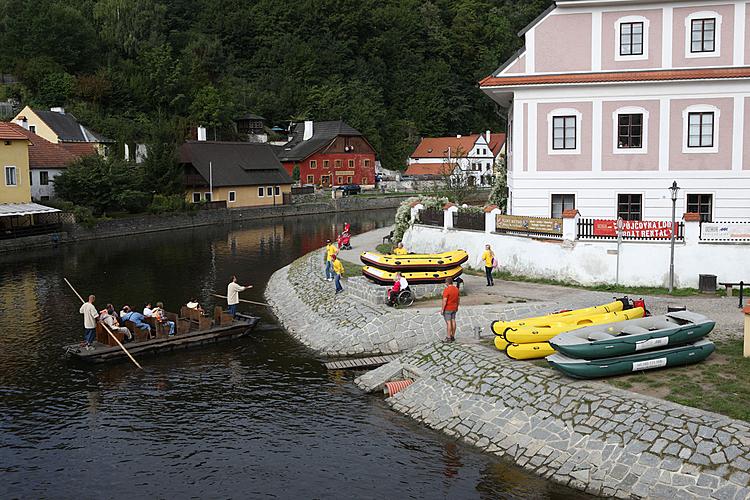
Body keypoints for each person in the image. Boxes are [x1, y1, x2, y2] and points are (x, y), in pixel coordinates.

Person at [441, 278, 460, 343]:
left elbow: (444, 300)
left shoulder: (446, 290)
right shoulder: (456, 289)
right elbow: (458, 299)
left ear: (447, 283)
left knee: (448, 322)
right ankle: (452, 336)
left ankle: (448, 337)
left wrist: (442, 309)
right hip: (454, 308)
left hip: (448, 308)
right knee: (453, 321)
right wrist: (457, 306)